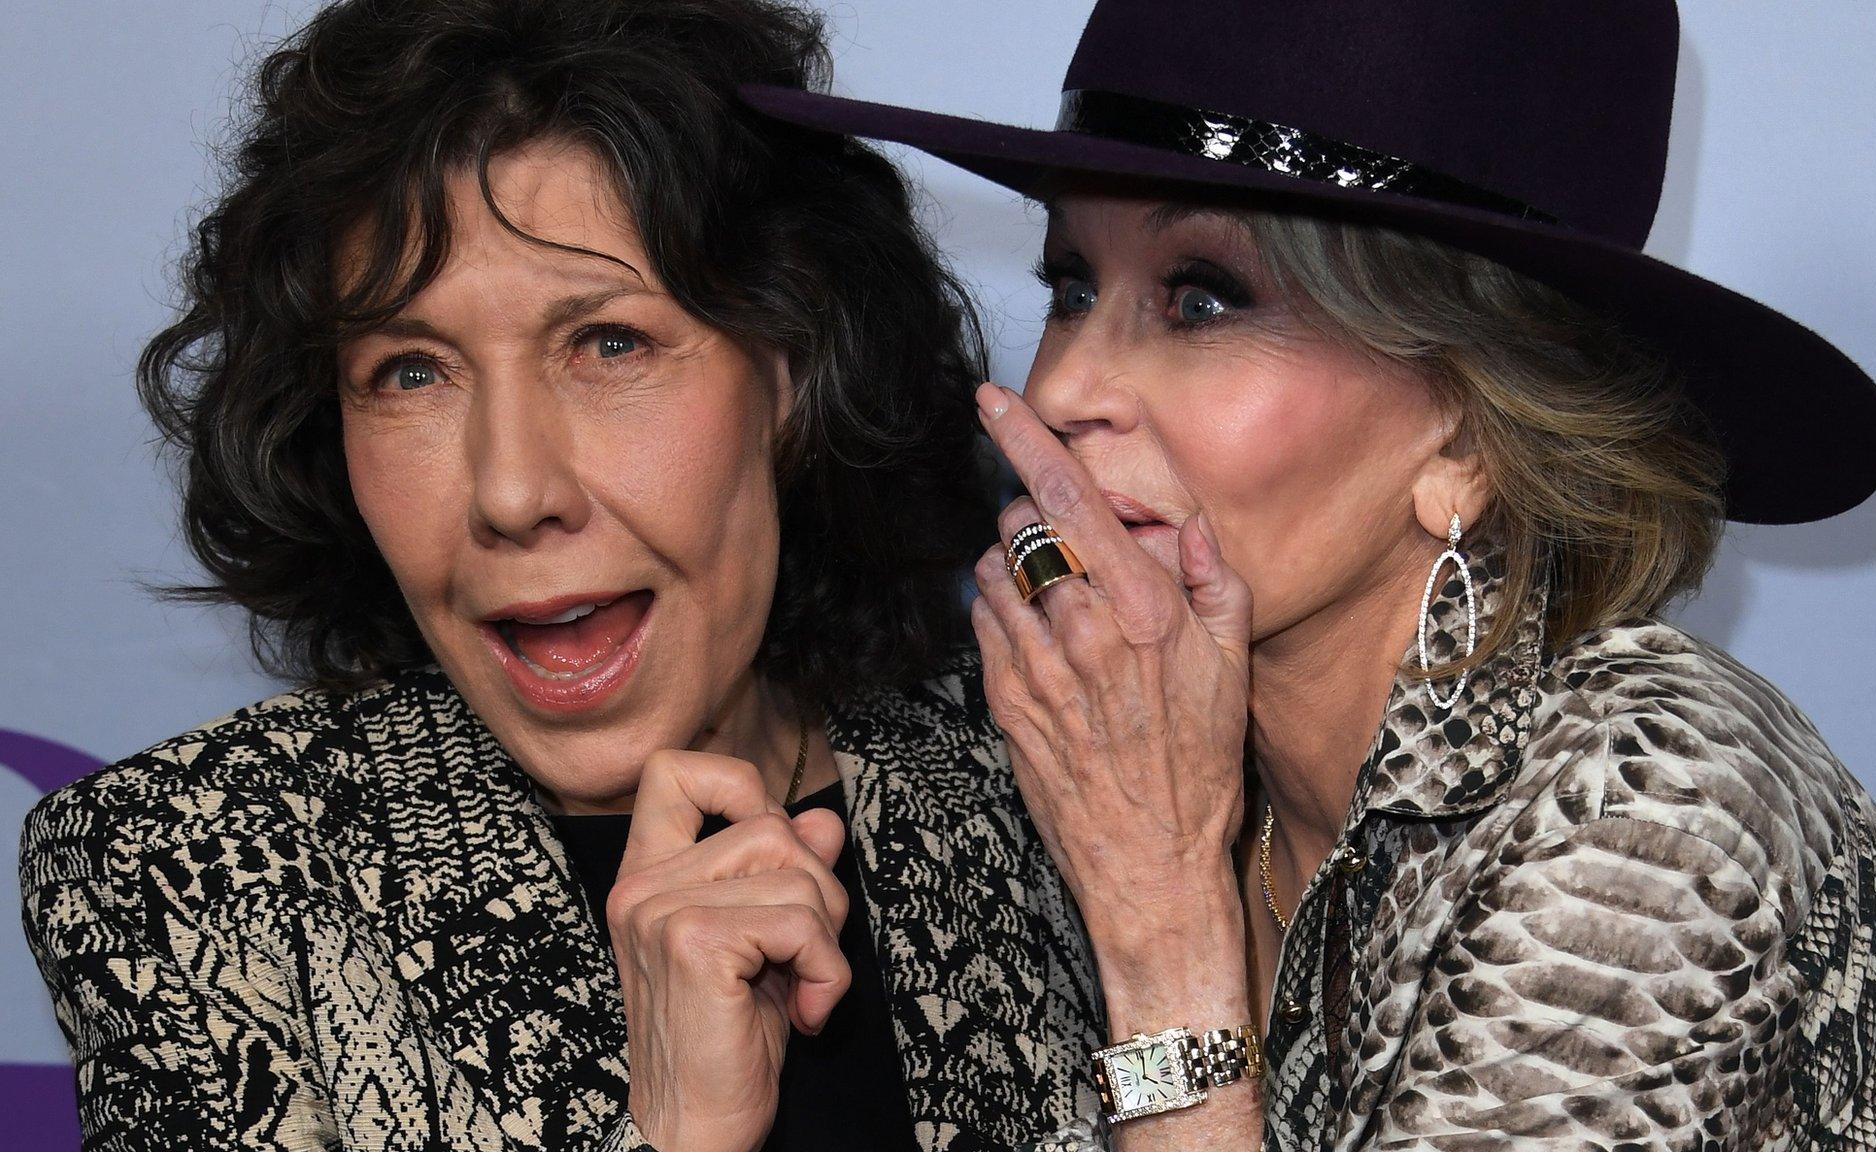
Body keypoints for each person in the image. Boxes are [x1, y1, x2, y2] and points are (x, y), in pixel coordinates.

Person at [745, 0, 1876, 1148]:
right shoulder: (1088, 749)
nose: (1061, 386)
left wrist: (1162, 924)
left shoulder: (1654, 811)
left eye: (1201, 300)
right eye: (1071, 284)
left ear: (1465, 429)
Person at [17, 1, 1105, 1149]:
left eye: (608, 345)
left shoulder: (1031, 766)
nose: (508, 488)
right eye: (409, 372)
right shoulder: (196, 875)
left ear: (789, 370)